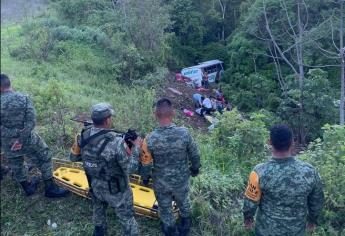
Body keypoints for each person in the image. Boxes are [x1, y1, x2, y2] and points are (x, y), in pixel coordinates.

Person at [69, 103, 142, 236]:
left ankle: (99, 232)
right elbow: (131, 169)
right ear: (108, 120)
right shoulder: (116, 143)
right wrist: (136, 148)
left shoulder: (83, 136)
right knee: (126, 218)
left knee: (98, 209)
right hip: (117, 191)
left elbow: (73, 157)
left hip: (95, 185)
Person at [243, 125, 324, 236]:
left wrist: (248, 219)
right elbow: (317, 202)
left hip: (266, 232)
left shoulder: (259, 171)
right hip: (296, 232)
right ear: (292, 142)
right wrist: (312, 220)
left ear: (270, 142)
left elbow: (250, 202)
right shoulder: (309, 172)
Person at [0, 74, 69, 197]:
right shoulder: (23, 98)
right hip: (27, 138)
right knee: (45, 156)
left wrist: (13, 136)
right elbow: (31, 121)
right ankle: (50, 188)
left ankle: (27, 187)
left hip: (7, 142)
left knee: (16, 164)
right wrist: (20, 138)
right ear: (9, 83)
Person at [144, 98, 200, 236]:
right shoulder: (184, 133)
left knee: (164, 207)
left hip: (161, 182)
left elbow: (146, 163)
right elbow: (195, 155)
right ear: (173, 113)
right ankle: (185, 225)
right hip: (181, 180)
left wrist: (146, 178)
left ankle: (170, 229)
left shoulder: (150, 139)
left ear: (155, 114)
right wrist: (195, 169)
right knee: (184, 201)